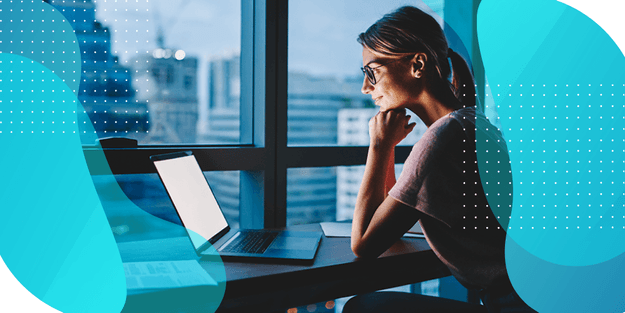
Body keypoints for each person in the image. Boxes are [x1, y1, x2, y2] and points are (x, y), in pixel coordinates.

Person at [343, 6, 536, 313]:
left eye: (372, 72)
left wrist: (379, 146)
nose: (366, 88)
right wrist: (390, 147)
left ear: (417, 64)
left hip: (513, 305)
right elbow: (389, 217)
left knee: (362, 307)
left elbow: (364, 243)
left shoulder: (441, 138)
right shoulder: (471, 122)